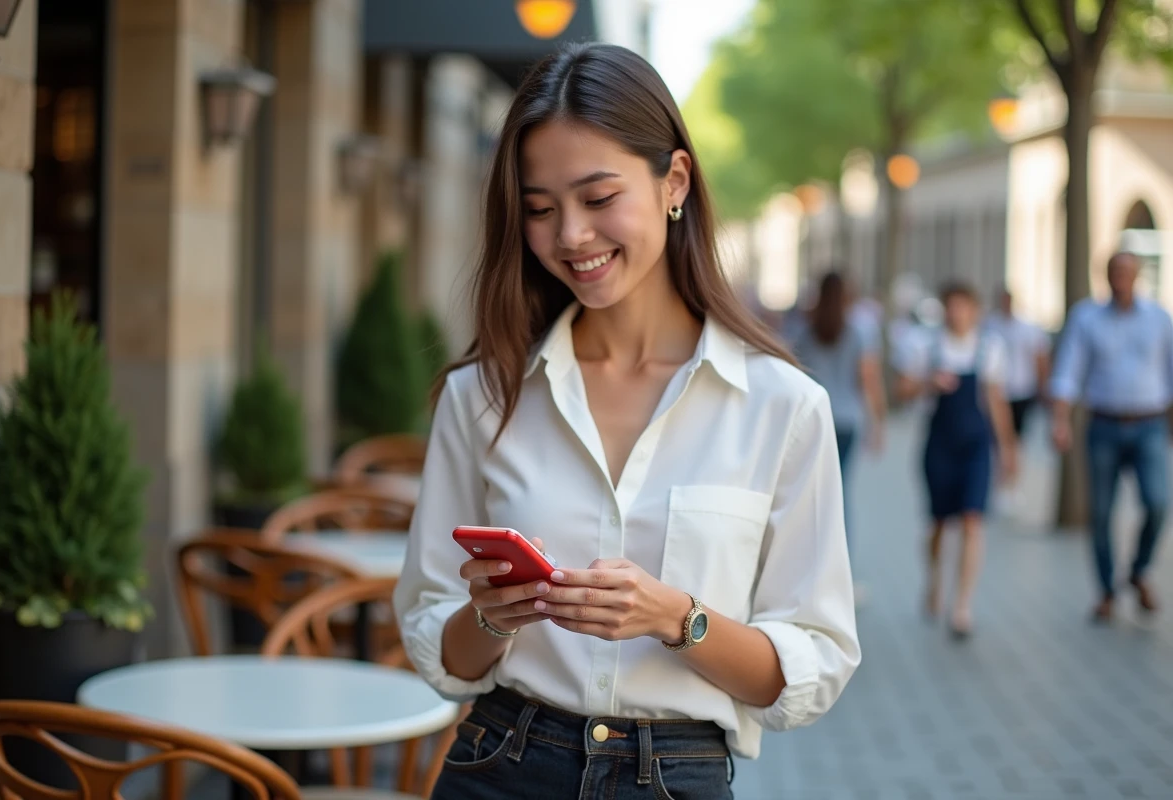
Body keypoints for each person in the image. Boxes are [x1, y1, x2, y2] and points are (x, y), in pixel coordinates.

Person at [393, 43, 860, 799]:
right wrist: (493, 615)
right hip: (499, 762)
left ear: (674, 181)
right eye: (540, 208)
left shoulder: (782, 406)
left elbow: (813, 664)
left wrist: (678, 618)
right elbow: (437, 643)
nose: (570, 235)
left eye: (598, 197)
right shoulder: (482, 395)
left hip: (678, 776)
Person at [1048, 252, 1172, 622]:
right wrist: (1060, 420)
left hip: (1149, 423)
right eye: (1115, 272)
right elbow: (1067, 372)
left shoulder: (1159, 319)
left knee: (1157, 503)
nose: (1121, 279)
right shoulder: (1087, 318)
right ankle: (1105, 590)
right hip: (1103, 423)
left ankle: (1139, 569)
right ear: (1106, 277)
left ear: (1137, 277)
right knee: (1100, 513)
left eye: (1127, 273)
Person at [895, 281, 1018, 638]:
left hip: (975, 446)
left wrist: (1008, 449)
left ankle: (962, 604)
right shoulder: (924, 345)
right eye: (952, 306)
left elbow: (996, 401)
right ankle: (935, 580)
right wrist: (928, 383)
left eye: (964, 306)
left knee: (972, 520)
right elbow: (900, 391)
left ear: (975, 310)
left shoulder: (989, 348)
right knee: (938, 523)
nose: (958, 313)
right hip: (939, 445)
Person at [789, 271, 887, 563]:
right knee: (840, 492)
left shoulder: (805, 333)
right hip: (847, 421)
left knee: (812, 494)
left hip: (813, 421)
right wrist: (878, 421)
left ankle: (810, 562)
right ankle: (840, 565)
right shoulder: (857, 332)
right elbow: (868, 379)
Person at [983, 286, 1051, 437]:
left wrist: (1042, 386)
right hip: (997, 389)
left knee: (1018, 433)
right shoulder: (989, 325)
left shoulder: (1028, 328)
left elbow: (1039, 358)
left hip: (1022, 389)